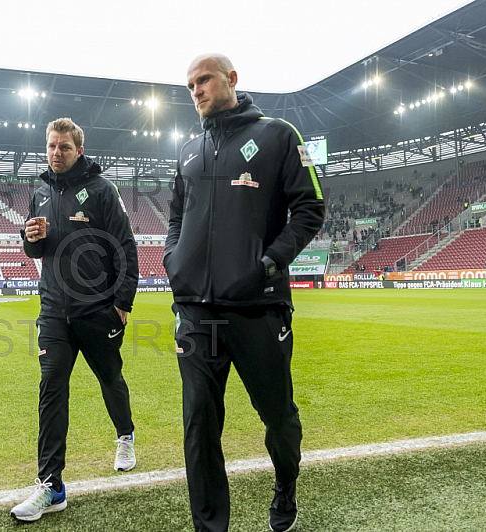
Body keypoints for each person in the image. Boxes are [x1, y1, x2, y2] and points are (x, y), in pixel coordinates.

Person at [165, 54, 325, 532]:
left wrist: (269, 263)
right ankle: (209, 527)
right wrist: (174, 260)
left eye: (204, 80)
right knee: (199, 424)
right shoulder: (188, 151)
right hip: (196, 312)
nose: (196, 90)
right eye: (190, 84)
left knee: (277, 417)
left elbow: (310, 207)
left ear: (231, 80)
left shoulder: (277, 136)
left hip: (258, 307)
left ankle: (285, 482)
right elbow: (175, 219)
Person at [10, 117, 139, 522]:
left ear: (79, 150)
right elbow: (38, 250)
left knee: (110, 379)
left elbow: (126, 246)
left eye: (64, 147)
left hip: (97, 310)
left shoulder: (102, 190)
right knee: (51, 389)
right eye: (50, 146)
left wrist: (122, 304)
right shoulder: (40, 192)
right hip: (53, 311)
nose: (56, 153)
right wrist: (29, 239)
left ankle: (125, 436)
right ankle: (51, 485)